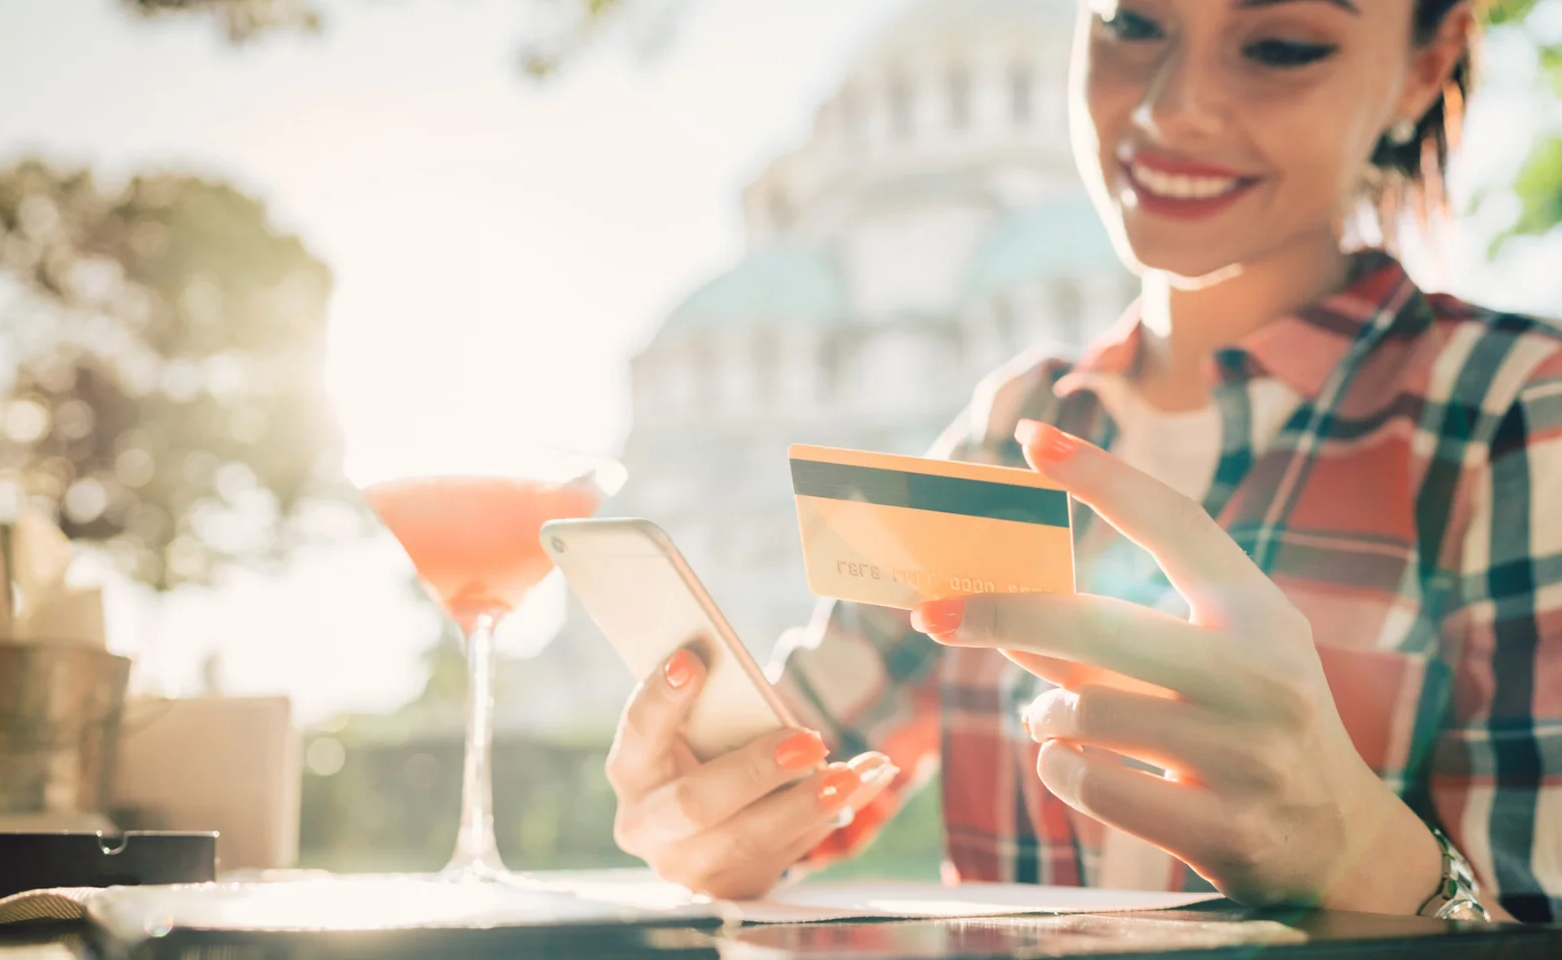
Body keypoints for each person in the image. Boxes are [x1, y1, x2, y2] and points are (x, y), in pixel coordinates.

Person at [604, 0, 1561, 923]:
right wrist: (706, 807)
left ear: (1422, 66)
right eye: (1132, 24)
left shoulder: (1518, 409)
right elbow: (794, 774)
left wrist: (1363, 856)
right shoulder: (1012, 427)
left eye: (1280, 45)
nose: (1169, 107)